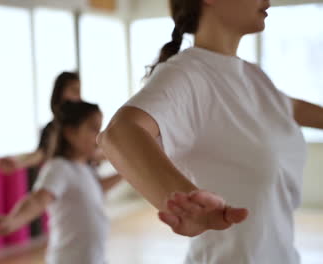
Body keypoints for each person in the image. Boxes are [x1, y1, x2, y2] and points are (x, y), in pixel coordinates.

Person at [98, 0, 323, 263]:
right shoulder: (188, 74)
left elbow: (287, 106)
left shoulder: (253, 76)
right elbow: (118, 134)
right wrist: (186, 202)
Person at [0, 101, 122, 264]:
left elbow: (97, 188)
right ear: (70, 133)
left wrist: (126, 172)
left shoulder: (84, 167)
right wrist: (14, 220)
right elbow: (38, 199)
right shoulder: (58, 168)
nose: (99, 136)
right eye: (92, 128)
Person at [0, 72, 82, 173]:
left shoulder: (84, 125)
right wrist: (17, 162)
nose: (78, 95)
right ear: (60, 92)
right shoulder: (52, 128)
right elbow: (41, 153)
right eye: (73, 90)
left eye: (78, 91)